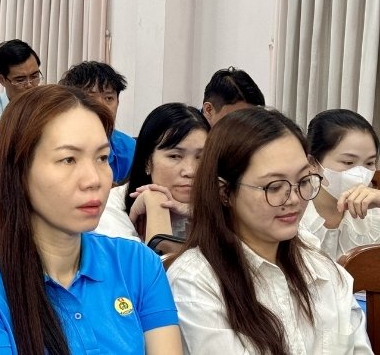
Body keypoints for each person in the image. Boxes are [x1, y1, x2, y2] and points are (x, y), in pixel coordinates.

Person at [0, 85, 182, 354]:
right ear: (19, 171)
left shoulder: (137, 264)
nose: (94, 180)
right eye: (68, 160)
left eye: (102, 157)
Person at [166, 108, 370, 354]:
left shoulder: (323, 270)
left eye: (304, 182)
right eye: (274, 187)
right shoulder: (195, 282)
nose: (294, 198)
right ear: (224, 192)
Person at [95, 103, 208, 244]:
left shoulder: (222, 204)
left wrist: (201, 212)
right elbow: (150, 266)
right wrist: (157, 204)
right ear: (147, 161)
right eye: (175, 156)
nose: (190, 171)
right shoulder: (109, 210)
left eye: (201, 157)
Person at [301, 108, 380, 260]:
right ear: (313, 163)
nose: (360, 173)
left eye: (370, 162)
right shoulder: (294, 217)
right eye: (348, 162)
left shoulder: (375, 216)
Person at [59, 60, 136, 184]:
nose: (102, 107)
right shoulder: (55, 145)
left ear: (118, 102)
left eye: (108, 98)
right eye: (90, 98)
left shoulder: (130, 149)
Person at [0, 39, 40, 129]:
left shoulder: (49, 105)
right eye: (20, 80)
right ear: (2, 80)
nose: (29, 85)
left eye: (34, 76)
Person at [200, 66, 265, 127]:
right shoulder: (192, 135)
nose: (243, 129)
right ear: (208, 110)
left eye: (251, 120)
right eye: (235, 120)